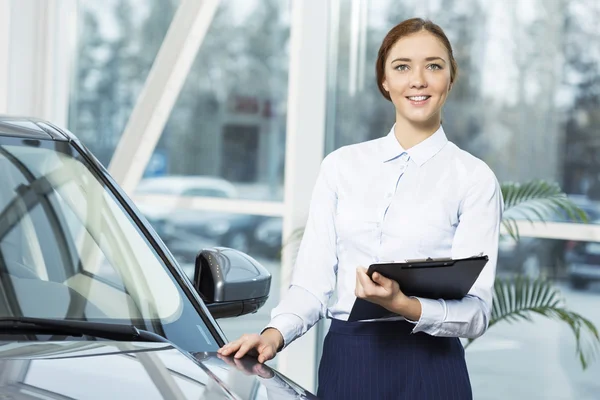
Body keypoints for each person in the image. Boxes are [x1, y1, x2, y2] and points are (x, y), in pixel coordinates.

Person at [218, 17, 503, 399]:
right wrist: (273, 336)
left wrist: (404, 304)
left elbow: (477, 313)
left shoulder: (474, 178)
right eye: (402, 67)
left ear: (450, 78)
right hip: (350, 361)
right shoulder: (341, 167)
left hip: (432, 368)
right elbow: (312, 283)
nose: (418, 80)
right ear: (384, 81)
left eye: (433, 66)